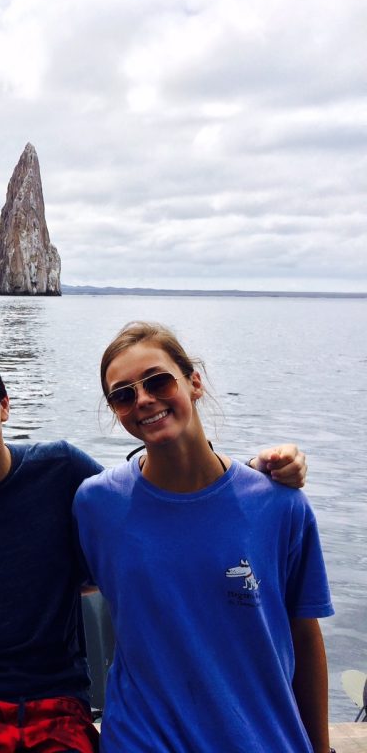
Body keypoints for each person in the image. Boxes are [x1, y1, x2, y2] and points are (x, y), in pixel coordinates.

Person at [0, 334, 308, 753]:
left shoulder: (61, 470)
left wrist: (255, 477)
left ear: (3, 405)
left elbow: (150, 501)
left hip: (55, 698)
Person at [72, 321, 332, 752]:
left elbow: (305, 635)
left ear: (193, 382)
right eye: (123, 394)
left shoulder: (280, 505)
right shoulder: (97, 504)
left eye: (157, 381)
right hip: (142, 739)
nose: (144, 400)